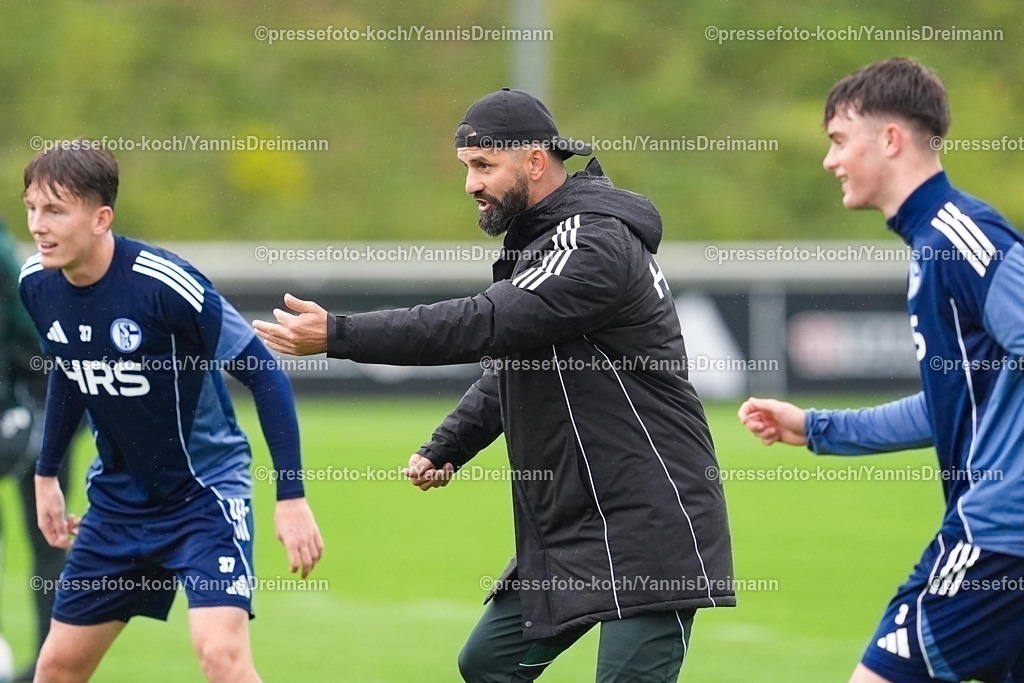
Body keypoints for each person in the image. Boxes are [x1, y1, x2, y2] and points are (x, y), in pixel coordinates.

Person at [254, 88, 735, 681]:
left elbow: (483, 323)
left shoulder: (591, 242)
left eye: (483, 166)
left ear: (534, 161)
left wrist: (340, 334)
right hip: (578, 522)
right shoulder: (545, 240)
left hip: (651, 518)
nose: (470, 184)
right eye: (467, 167)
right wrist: (450, 444)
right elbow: (517, 358)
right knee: (487, 665)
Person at [738, 57, 1024, 683]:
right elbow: (952, 403)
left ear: (890, 139)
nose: (830, 160)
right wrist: (817, 427)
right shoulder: (932, 245)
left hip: (997, 540)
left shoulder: (960, 239)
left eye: (840, 140)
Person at [18, 142, 323, 683]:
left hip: (203, 498)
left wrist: (291, 497)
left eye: (56, 210)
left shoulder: (165, 285)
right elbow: (68, 367)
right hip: (116, 506)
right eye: (32, 208)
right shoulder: (37, 283)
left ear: (100, 219)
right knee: (58, 668)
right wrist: (46, 476)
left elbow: (264, 373)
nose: (38, 225)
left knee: (221, 656)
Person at [0, 219, 69, 683]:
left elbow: (36, 331)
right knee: (50, 536)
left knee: (49, 531)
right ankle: (51, 663)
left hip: (38, 403)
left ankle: (51, 664)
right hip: (34, 399)